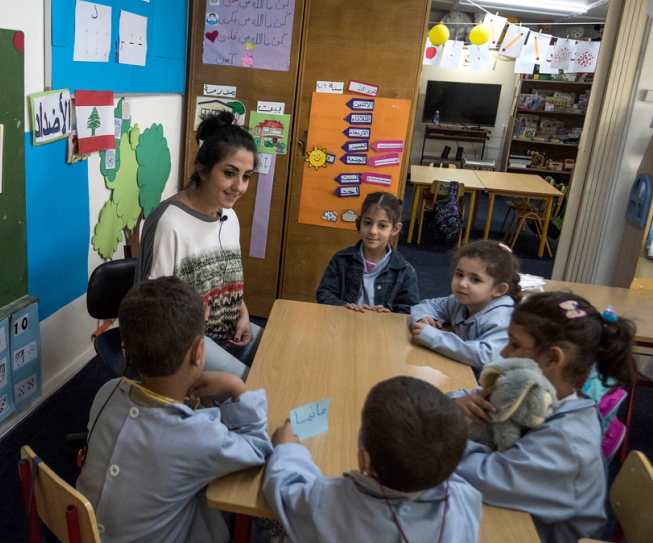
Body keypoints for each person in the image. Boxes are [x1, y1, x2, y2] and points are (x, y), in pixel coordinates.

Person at [75, 276, 272, 543]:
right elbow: (258, 448)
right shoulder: (200, 436)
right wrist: (235, 386)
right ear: (199, 353)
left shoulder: (106, 392)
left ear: (125, 349)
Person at [450, 292, 637, 543]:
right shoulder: (537, 392)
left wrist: (443, 431)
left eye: (514, 344)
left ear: (552, 358)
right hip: (516, 510)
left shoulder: (568, 441)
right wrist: (452, 406)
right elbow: (473, 397)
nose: (503, 353)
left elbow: (487, 478)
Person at [264, 376, 482, 543]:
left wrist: (287, 449)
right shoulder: (466, 500)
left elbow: (285, 491)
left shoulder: (327, 501)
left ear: (363, 459)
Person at [136, 111, 259, 380]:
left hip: (225, 331)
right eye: (229, 173)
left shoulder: (229, 216)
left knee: (281, 356)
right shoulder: (169, 222)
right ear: (203, 170)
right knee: (254, 388)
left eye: (246, 176)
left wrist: (243, 314)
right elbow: (150, 309)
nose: (238, 186)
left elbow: (225, 281)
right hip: (183, 343)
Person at [409, 240, 520, 370]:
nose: (462, 283)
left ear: (499, 289)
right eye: (459, 274)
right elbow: (429, 305)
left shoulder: (501, 319)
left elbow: (486, 357)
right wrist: (425, 316)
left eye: (475, 279)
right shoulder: (460, 301)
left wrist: (434, 337)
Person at [316, 192, 420, 313]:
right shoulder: (341, 260)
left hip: (381, 329)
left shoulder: (404, 271)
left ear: (395, 229)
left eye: (382, 226)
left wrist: (388, 314)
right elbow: (324, 294)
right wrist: (344, 306)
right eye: (367, 223)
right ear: (359, 222)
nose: (373, 231)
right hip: (344, 324)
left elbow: (409, 310)